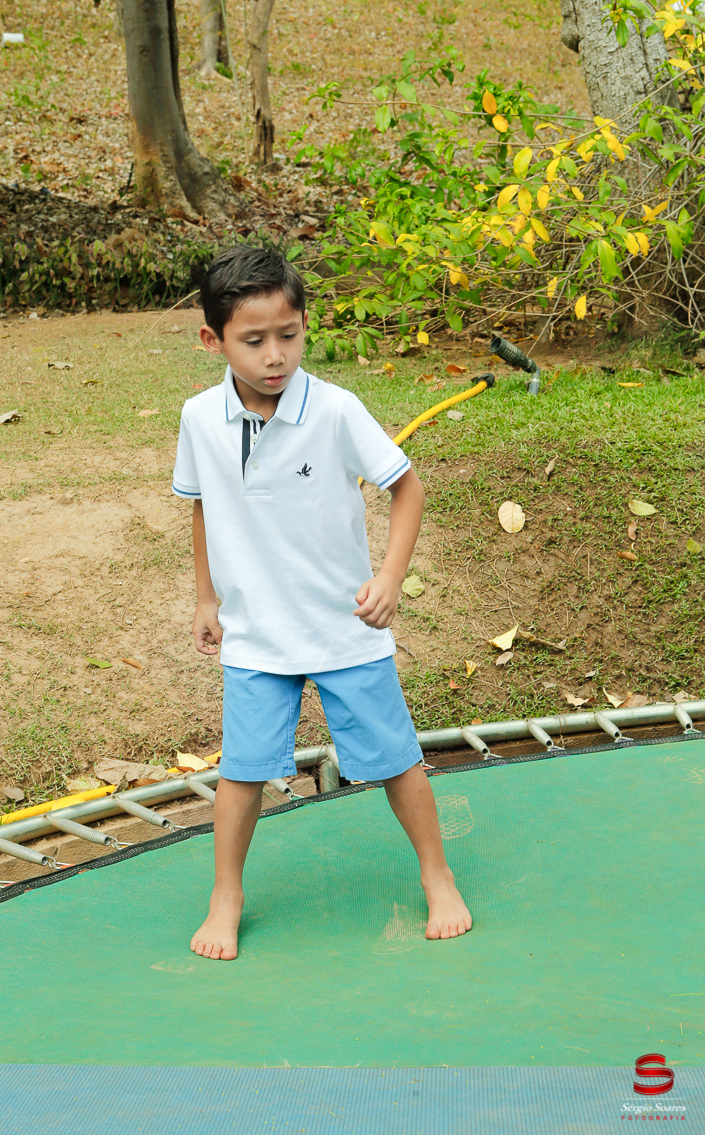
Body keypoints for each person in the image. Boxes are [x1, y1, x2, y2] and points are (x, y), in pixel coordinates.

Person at [172, 246, 472, 960]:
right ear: (213, 340)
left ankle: (438, 876)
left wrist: (391, 578)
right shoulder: (197, 417)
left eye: (289, 335)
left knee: (398, 760)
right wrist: (206, 597)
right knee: (241, 773)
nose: (275, 355)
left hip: (346, 628)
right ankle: (226, 896)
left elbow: (407, 487)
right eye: (253, 341)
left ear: (305, 326)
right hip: (256, 635)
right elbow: (202, 508)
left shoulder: (335, 408)